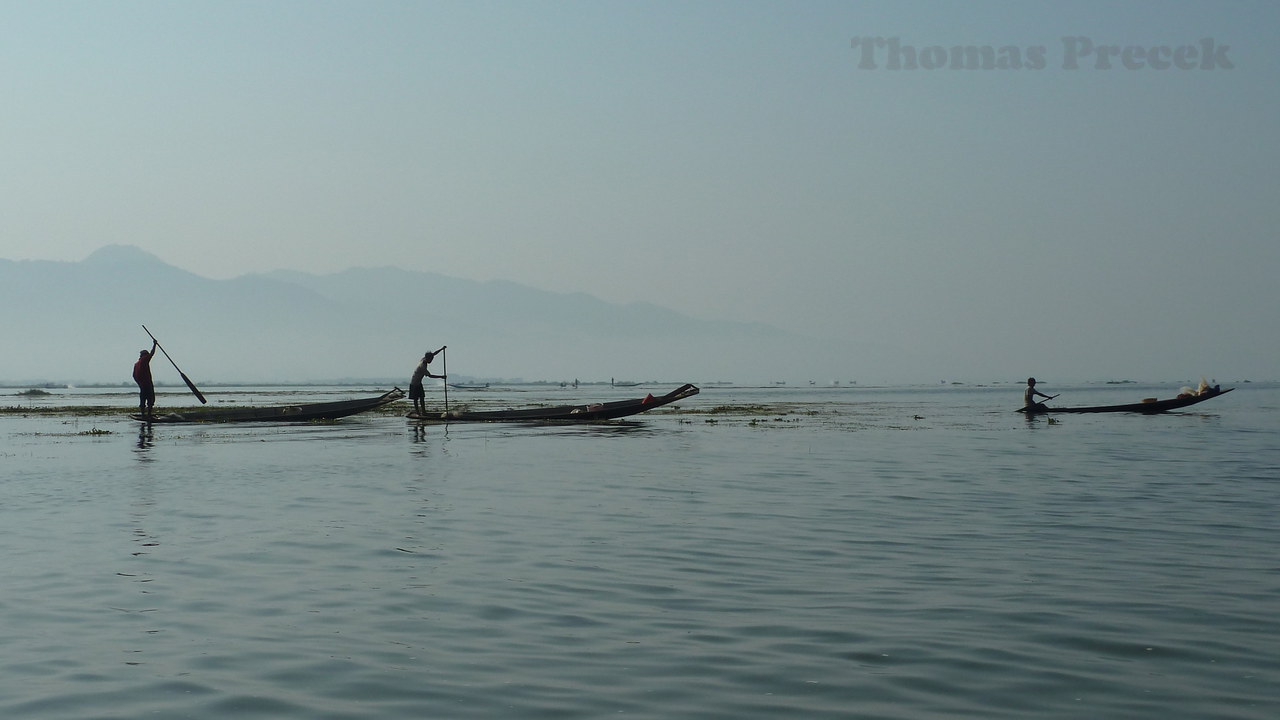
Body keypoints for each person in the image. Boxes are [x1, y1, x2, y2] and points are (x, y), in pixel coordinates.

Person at [410, 346, 447, 415]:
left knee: (422, 397)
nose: (431, 361)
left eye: (432, 359)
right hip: (414, 383)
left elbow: (434, 353)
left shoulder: (425, 359)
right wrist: (441, 376)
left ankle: (423, 412)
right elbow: (430, 376)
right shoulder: (422, 366)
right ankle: (418, 412)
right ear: (427, 358)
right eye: (430, 359)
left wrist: (442, 349)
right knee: (416, 399)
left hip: (419, 383)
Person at [134, 340, 159, 416]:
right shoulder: (144, 359)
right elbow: (152, 353)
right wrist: (154, 345)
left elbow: (134, 376)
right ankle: (148, 414)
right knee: (150, 399)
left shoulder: (136, 364)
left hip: (142, 385)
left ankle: (143, 414)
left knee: (143, 399)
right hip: (147, 383)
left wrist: (140, 384)